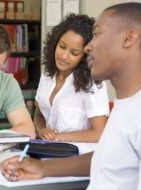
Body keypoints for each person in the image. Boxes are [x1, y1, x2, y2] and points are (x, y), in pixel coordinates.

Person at [0, 2, 141, 190]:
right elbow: (109, 158)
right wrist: (42, 168)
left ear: (129, 38)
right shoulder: (128, 104)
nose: (89, 46)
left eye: (98, 34)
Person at [34, 14, 109, 143]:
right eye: (62, 46)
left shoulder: (92, 84)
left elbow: (100, 133)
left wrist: (57, 138)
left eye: (74, 53)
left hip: (77, 157)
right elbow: (39, 115)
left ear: (85, 57)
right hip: (48, 151)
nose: (64, 56)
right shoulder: (48, 75)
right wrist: (42, 131)